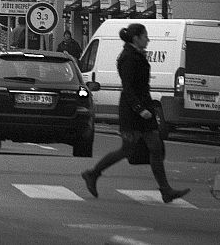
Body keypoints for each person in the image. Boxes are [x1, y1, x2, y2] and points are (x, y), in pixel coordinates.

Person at [81, 22, 190, 203]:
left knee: (155, 148)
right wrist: (140, 110)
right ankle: (92, 173)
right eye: (145, 36)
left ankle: (165, 190)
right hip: (133, 111)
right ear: (136, 38)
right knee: (127, 149)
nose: (148, 39)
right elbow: (128, 88)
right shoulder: (128, 58)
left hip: (143, 107)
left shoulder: (136, 55)